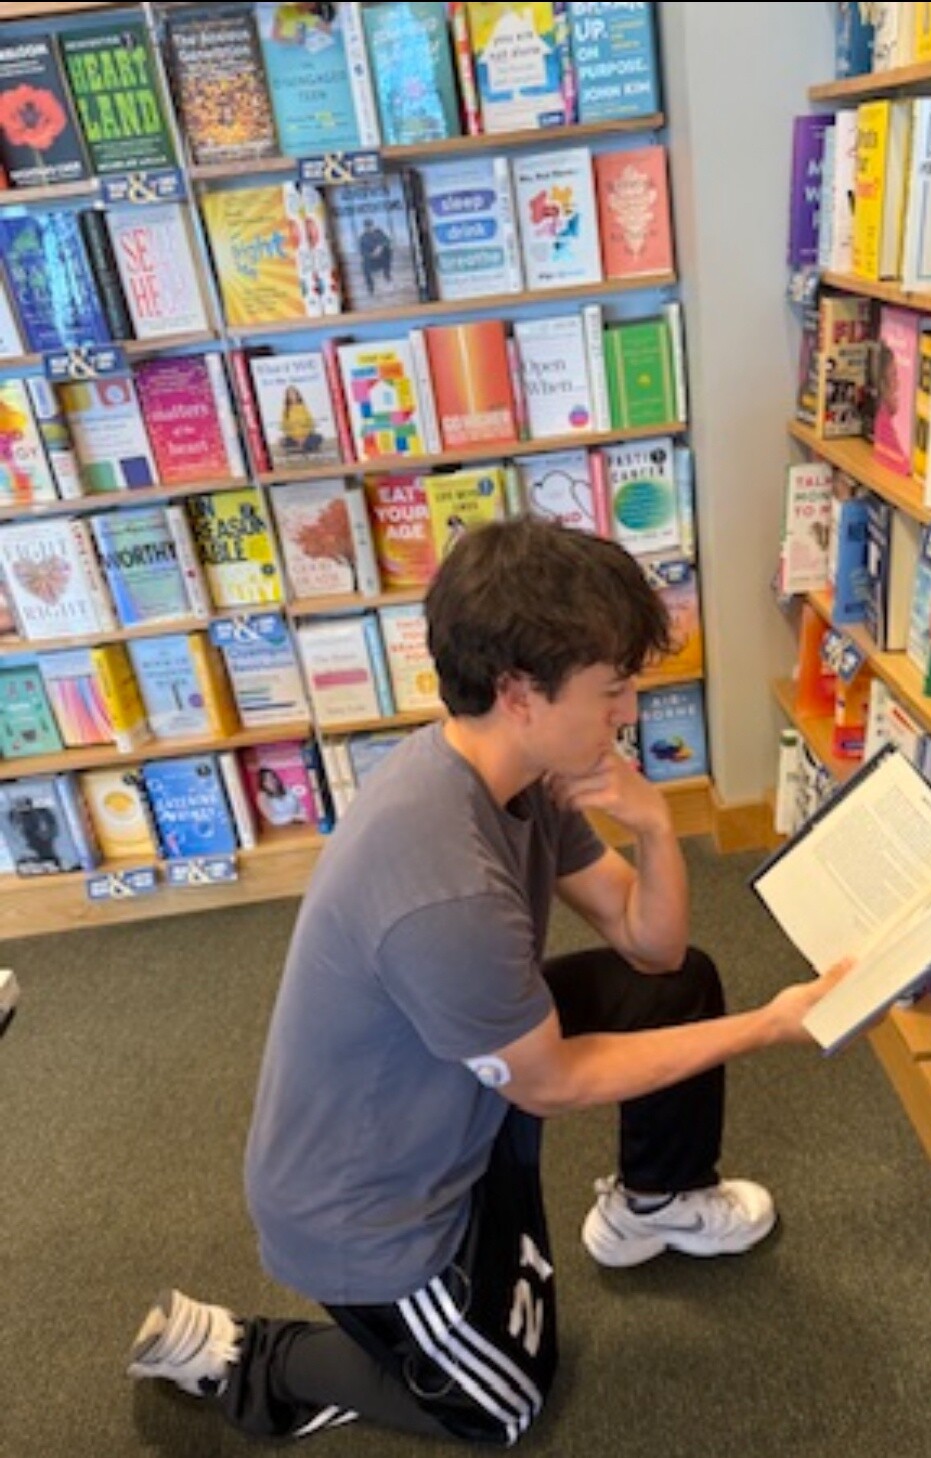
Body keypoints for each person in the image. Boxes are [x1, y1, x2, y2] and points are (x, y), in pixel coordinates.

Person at [126, 517, 848, 1445]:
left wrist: (656, 827)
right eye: (611, 691)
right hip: (371, 1205)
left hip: (462, 1082)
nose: (629, 712)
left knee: (676, 990)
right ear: (518, 693)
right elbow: (554, 1081)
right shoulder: (446, 883)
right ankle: (241, 1354)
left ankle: (655, 1203)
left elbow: (654, 950)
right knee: (502, 1404)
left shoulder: (523, 771)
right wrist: (772, 1025)